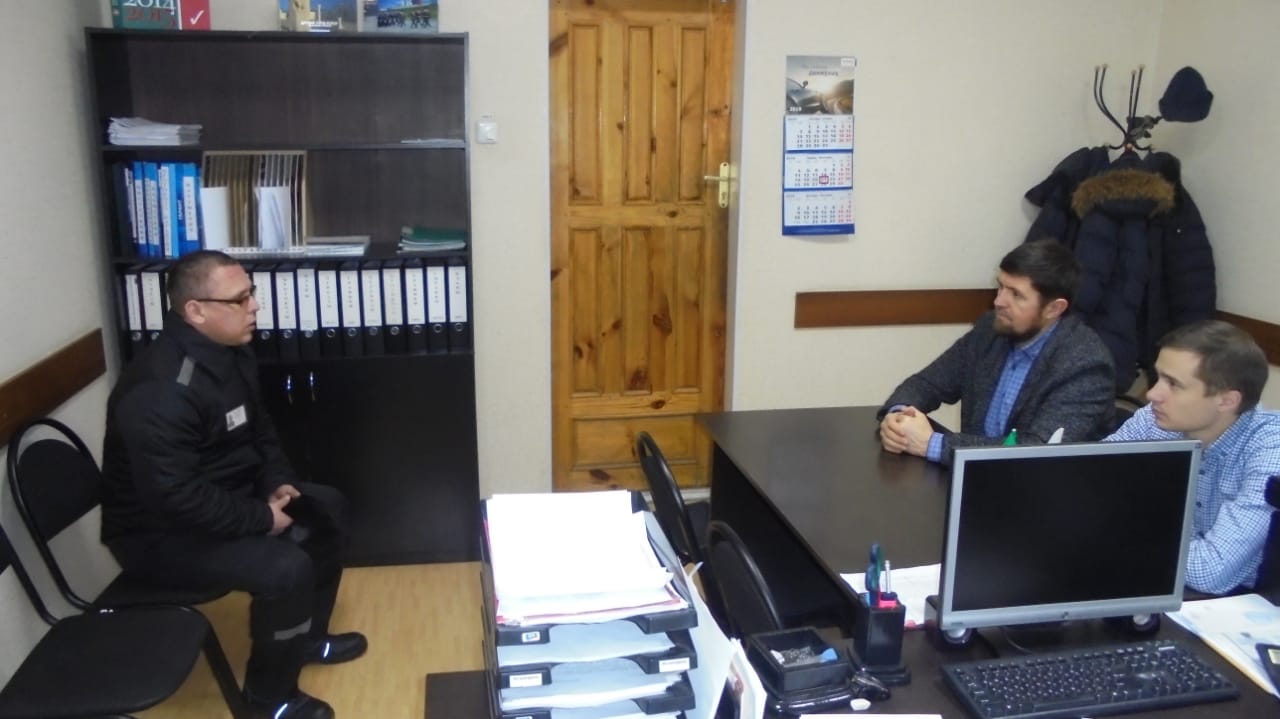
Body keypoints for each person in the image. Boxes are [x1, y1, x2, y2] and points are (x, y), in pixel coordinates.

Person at [101, 251, 366, 719]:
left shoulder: (231, 353)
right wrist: (261, 518)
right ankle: (269, 698)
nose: (254, 307)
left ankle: (306, 639)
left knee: (326, 508)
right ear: (195, 311)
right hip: (159, 535)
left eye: (251, 294)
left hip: (224, 498)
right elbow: (175, 497)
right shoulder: (160, 390)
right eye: (239, 299)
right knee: (283, 569)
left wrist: (278, 483)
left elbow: (260, 430)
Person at [878, 239, 1115, 464]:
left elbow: (1036, 451)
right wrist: (899, 417)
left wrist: (932, 444)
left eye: (1016, 294)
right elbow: (927, 383)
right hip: (974, 480)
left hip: (1043, 487)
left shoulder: (1085, 364)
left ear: (1054, 308)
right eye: (1001, 286)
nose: (999, 301)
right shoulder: (990, 330)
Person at [1106, 320, 1280, 595]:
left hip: (1237, 602)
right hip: (1154, 575)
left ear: (1227, 400)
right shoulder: (1157, 417)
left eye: (1173, 384)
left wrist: (1113, 532)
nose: (1152, 394)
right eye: (1159, 377)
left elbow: (1208, 571)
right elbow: (1088, 487)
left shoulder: (1271, 451)